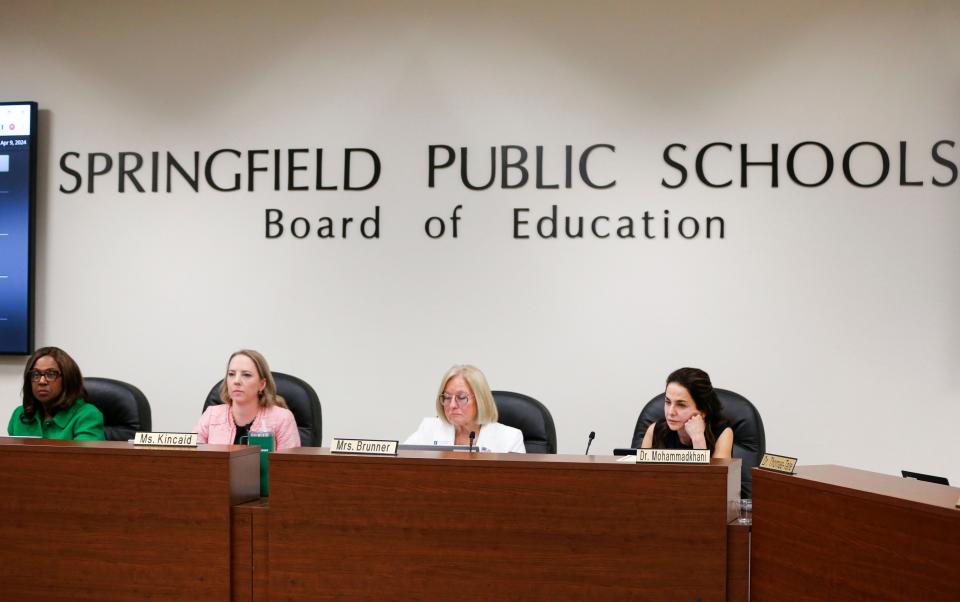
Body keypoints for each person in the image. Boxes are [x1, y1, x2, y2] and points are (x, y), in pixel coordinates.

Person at [405, 364, 526, 453]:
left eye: (461, 397)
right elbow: (399, 461)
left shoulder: (510, 438)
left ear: (480, 400)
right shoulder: (428, 429)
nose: (452, 405)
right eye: (447, 397)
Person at [195, 349, 300, 449]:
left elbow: (291, 466)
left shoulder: (282, 419)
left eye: (246, 375)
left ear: (262, 384)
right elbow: (191, 457)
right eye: (231, 374)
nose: (236, 381)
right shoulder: (211, 415)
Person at [7, 347, 104, 440]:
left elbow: (83, 457)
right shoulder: (20, 415)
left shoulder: (87, 415)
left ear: (67, 378)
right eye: (35, 374)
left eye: (51, 374)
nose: (42, 381)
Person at [640, 367, 733, 458]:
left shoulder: (723, 434)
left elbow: (712, 474)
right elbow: (640, 473)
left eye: (681, 405)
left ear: (703, 410)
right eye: (668, 402)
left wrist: (698, 440)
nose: (671, 412)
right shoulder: (655, 431)